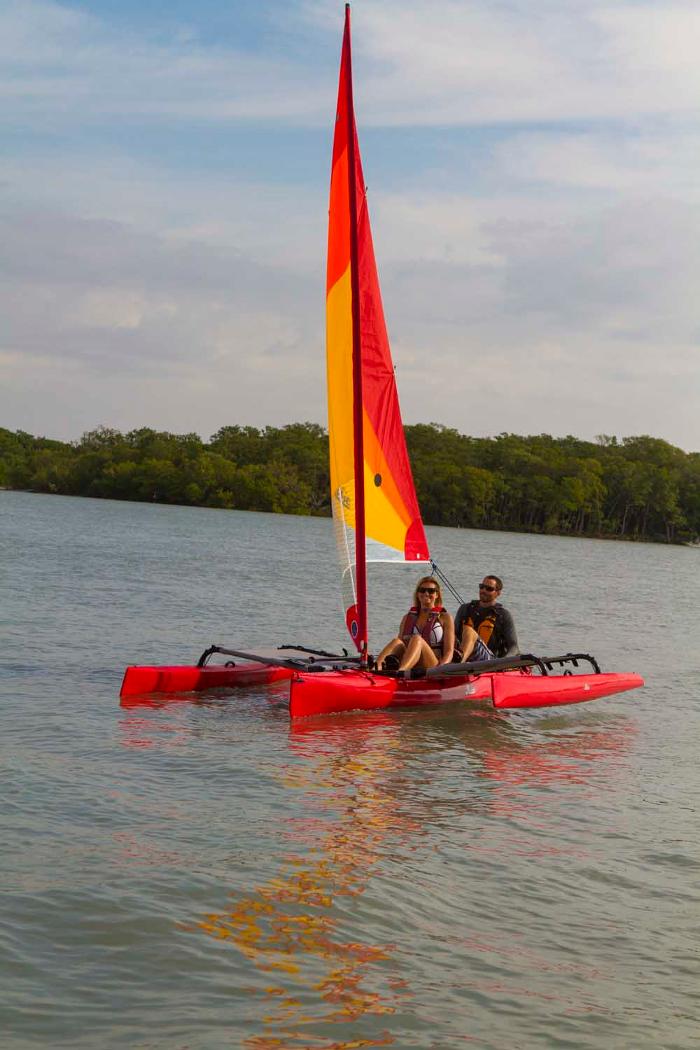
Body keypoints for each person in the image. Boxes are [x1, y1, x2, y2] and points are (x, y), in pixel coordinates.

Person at [375, 576, 455, 671]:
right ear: (417, 594)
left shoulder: (445, 618)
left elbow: (449, 651)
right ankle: (375, 669)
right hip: (410, 662)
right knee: (396, 641)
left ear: (437, 595)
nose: (426, 593)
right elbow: (400, 645)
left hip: (432, 666)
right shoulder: (407, 618)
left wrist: (442, 668)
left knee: (417, 639)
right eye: (422, 590)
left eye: (431, 591)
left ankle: (402, 671)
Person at [454, 574, 519, 663]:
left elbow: (514, 647)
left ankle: (458, 664)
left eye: (489, 589)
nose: (483, 590)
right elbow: (453, 634)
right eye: (482, 587)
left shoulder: (503, 615)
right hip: (465, 655)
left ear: (498, 593)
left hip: (488, 660)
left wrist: (503, 662)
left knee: (469, 631)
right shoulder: (465, 609)